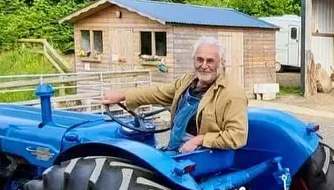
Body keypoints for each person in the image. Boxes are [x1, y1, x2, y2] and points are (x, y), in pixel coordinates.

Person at [102, 35, 248, 152]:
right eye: (199, 59)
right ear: (193, 60)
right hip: (177, 147)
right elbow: (158, 92)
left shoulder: (232, 94)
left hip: (202, 154)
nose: (204, 66)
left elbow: (237, 136)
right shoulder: (187, 81)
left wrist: (200, 139)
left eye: (210, 61)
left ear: (221, 62)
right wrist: (123, 95)